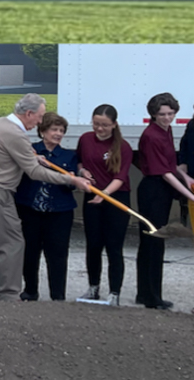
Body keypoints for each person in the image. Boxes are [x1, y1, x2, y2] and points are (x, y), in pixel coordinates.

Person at [0, 93, 89, 301]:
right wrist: (71, 180)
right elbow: (35, 172)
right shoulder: (15, 134)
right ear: (28, 113)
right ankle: (8, 294)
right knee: (12, 242)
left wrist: (30, 156)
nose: (40, 122)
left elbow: (4, 152)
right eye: (40, 117)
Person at [134, 92, 194, 310]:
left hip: (162, 189)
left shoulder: (166, 130)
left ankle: (147, 293)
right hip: (153, 190)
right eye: (162, 114)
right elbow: (164, 173)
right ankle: (151, 296)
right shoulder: (152, 135)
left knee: (155, 242)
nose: (167, 118)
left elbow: (171, 166)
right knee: (153, 241)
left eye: (170, 113)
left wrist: (185, 177)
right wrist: (190, 195)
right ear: (153, 114)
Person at [14, 112, 77, 302]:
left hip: (60, 212)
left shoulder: (69, 155)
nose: (58, 134)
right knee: (30, 251)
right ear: (42, 131)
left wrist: (71, 178)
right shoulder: (30, 151)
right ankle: (30, 290)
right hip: (30, 209)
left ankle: (57, 295)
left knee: (58, 254)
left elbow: (71, 186)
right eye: (54, 129)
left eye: (61, 130)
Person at [76, 104, 132, 307]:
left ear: (114, 124)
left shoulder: (123, 146)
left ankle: (114, 292)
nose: (100, 129)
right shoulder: (85, 139)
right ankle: (93, 287)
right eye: (96, 124)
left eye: (105, 125)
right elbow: (79, 162)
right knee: (93, 245)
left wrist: (105, 195)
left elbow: (120, 177)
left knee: (114, 247)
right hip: (93, 198)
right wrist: (82, 172)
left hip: (116, 199)